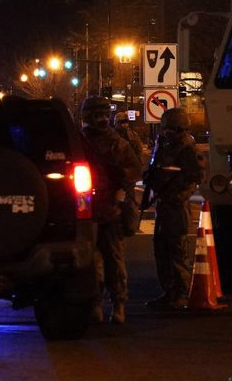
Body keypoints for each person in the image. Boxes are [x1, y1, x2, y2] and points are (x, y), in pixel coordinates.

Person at [80, 96, 144, 324]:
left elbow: (135, 170)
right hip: (87, 210)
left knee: (113, 260)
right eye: (98, 114)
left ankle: (118, 305)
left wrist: (121, 177)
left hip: (110, 209)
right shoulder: (80, 142)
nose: (103, 118)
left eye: (105, 114)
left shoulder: (117, 143)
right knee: (90, 262)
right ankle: (95, 304)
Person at [144, 107, 205, 310]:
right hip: (164, 204)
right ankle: (169, 292)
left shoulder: (187, 149)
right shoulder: (165, 146)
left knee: (177, 251)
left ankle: (181, 293)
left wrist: (178, 196)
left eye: (169, 129)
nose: (165, 133)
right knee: (161, 250)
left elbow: (195, 177)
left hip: (176, 206)